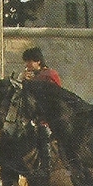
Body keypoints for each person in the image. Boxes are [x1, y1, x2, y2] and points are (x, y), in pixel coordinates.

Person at [19, 46, 61, 174]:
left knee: (44, 131)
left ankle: (46, 165)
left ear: (38, 61)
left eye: (30, 61)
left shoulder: (50, 74)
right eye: (26, 62)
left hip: (49, 114)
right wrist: (22, 80)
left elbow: (56, 96)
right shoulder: (30, 76)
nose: (27, 65)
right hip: (32, 114)